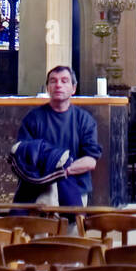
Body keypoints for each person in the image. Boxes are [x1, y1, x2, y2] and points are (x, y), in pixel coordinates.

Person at [12, 66, 102, 208]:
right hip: (38, 191)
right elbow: (23, 156)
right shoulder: (33, 118)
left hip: (76, 189)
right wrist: (51, 173)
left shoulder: (84, 120)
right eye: (53, 81)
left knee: (71, 230)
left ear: (73, 88)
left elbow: (90, 161)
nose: (58, 85)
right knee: (38, 229)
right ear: (48, 87)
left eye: (64, 81)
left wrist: (61, 170)